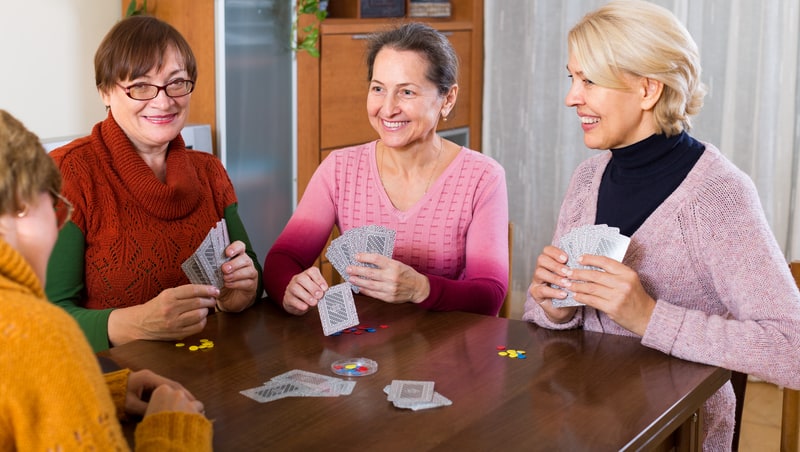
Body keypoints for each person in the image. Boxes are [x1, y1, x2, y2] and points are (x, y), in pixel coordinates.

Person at [523, 1, 800, 450]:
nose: (571, 96)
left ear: (648, 90)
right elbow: (549, 320)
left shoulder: (719, 194)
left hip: (677, 435)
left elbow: (792, 347)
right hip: (582, 422)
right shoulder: (586, 179)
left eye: (589, 81)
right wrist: (554, 309)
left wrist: (649, 317)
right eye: (571, 78)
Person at [47, 15, 263, 353]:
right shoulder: (67, 173)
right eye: (141, 86)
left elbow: (251, 273)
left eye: (177, 83)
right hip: (114, 382)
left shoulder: (210, 172)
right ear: (105, 91)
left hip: (212, 369)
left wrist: (242, 293)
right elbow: (48, 318)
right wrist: (135, 323)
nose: (163, 101)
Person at [0, 109, 212, 450]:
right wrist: (173, 431)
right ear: (21, 207)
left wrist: (95, 391)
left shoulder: (209, 170)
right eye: (54, 207)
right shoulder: (39, 332)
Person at [264, 22, 508, 316]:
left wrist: (420, 288)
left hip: (450, 349)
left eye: (406, 92)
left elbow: (490, 295)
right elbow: (283, 258)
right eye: (378, 89)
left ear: (448, 99)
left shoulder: (483, 177)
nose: (388, 108)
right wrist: (289, 286)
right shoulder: (339, 169)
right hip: (364, 352)